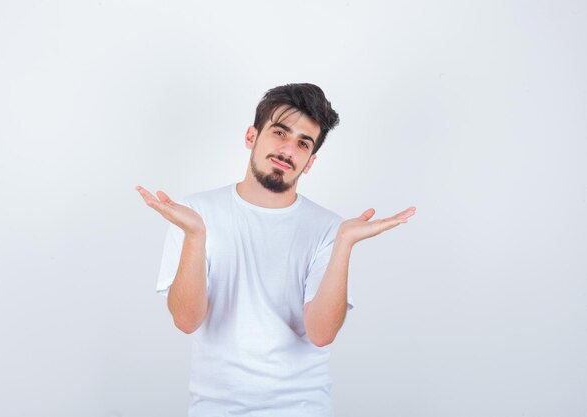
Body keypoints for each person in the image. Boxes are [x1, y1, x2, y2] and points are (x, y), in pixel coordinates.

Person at [136, 83, 416, 416]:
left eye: (302, 143)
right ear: (251, 136)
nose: (287, 150)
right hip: (215, 407)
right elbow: (186, 320)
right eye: (280, 132)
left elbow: (322, 333)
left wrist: (344, 244)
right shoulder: (194, 214)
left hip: (302, 407)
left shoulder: (329, 228)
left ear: (310, 162)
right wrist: (195, 235)